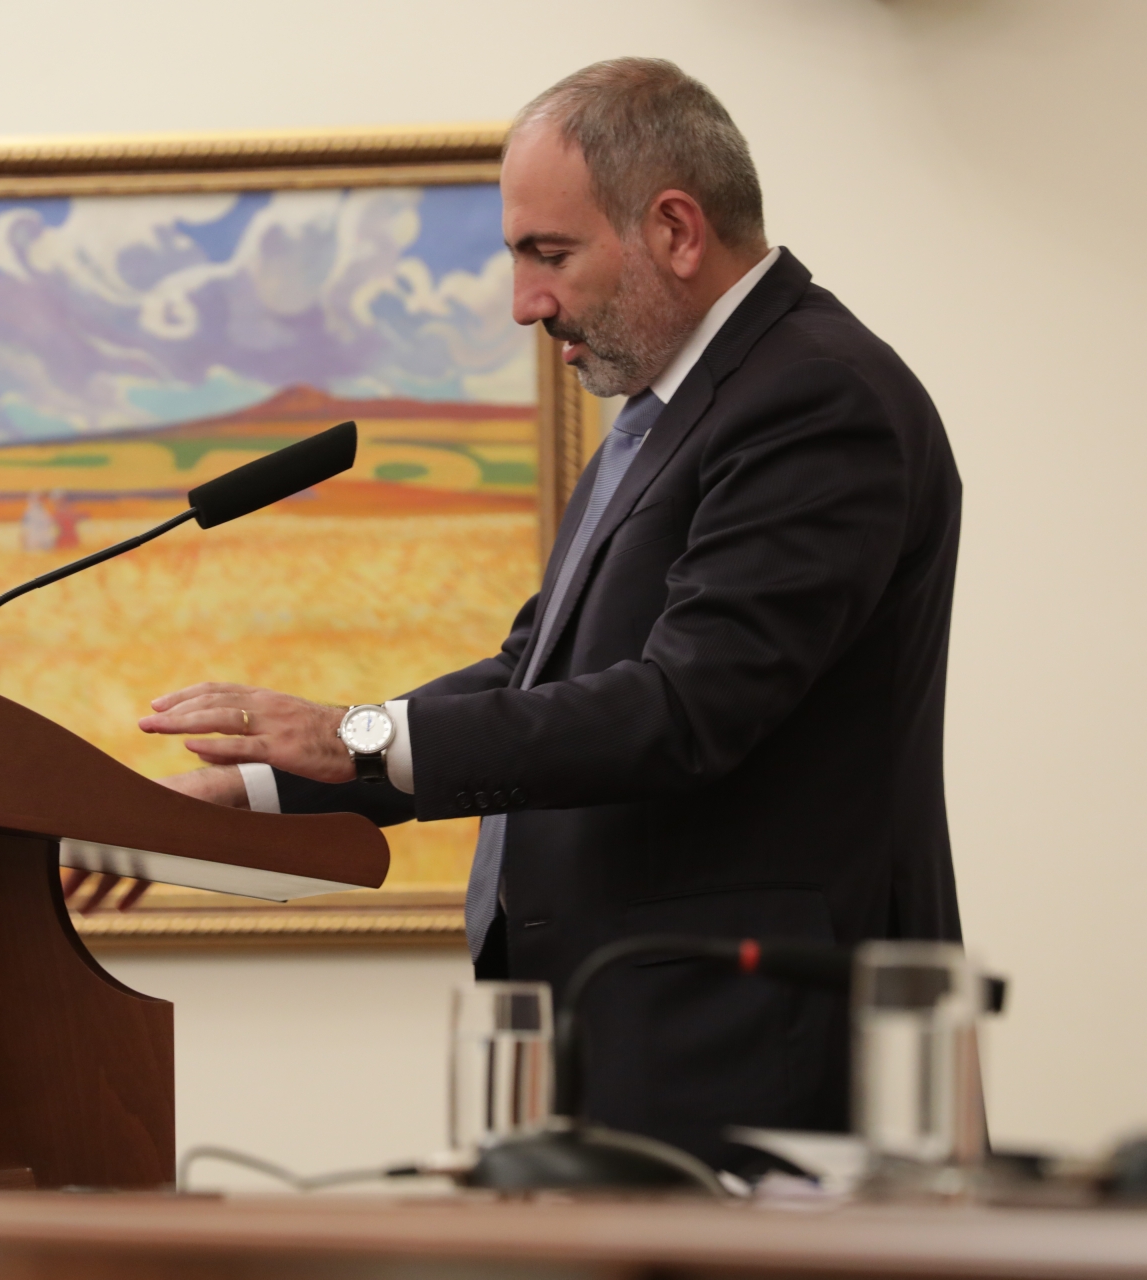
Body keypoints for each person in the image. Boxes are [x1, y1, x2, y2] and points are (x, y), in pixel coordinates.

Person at [138, 58, 963, 1172]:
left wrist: (353, 735)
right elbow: (533, 676)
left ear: (675, 229)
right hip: (639, 1038)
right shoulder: (675, 410)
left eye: (550, 254)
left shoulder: (815, 397)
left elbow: (689, 706)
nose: (526, 300)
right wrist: (246, 792)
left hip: (749, 1049)